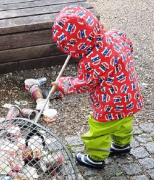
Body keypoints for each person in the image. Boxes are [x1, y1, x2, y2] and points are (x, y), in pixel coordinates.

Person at [51, 5, 143, 169]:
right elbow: (129, 46)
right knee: (124, 122)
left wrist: (62, 84)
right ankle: (122, 145)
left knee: (98, 128)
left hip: (110, 104)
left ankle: (95, 157)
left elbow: (84, 84)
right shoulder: (116, 36)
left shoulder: (91, 60)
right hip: (130, 95)